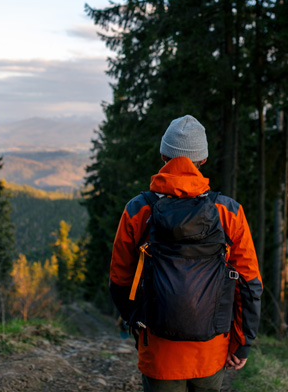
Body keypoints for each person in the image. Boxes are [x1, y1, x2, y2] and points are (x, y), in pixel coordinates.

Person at [109, 114, 263, 391]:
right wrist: (242, 343)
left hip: (158, 350)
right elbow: (249, 285)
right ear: (202, 161)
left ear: (162, 155)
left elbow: (119, 280)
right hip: (211, 349)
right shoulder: (228, 212)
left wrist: (138, 322)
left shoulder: (138, 210)